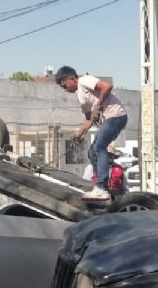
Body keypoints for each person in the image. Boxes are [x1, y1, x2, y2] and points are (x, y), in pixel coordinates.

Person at [55, 65, 129, 201]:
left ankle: (101, 187)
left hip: (116, 116)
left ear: (72, 78)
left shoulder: (84, 80)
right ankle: (100, 187)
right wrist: (78, 134)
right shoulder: (80, 96)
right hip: (109, 119)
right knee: (92, 153)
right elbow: (89, 119)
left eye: (65, 85)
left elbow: (107, 86)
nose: (65, 89)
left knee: (99, 148)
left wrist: (98, 105)